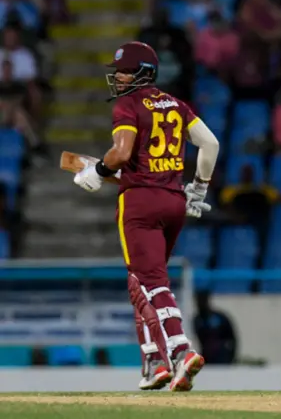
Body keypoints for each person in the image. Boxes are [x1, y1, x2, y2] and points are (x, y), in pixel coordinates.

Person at [71, 41, 220, 392]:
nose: (118, 77)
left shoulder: (128, 104)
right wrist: (199, 188)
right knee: (141, 281)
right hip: (174, 201)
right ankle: (153, 361)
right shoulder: (177, 105)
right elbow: (210, 144)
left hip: (140, 203)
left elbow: (121, 154)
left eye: (124, 70)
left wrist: (98, 171)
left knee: (151, 281)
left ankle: (181, 352)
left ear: (142, 72)